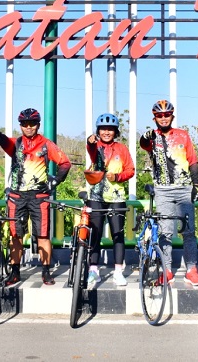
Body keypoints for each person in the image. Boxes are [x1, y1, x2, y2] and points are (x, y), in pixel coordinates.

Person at [0, 108, 71, 285]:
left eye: (32, 123)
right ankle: (15, 272)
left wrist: (55, 182)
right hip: (17, 197)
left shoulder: (46, 144)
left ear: (38, 125)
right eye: (24, 124)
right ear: (20, 126)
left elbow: (65, 163)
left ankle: (46, 271)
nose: (28, 127)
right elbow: (6, 143)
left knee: (42, 235)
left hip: (39, 197)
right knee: (16, 235)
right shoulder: (17, 143)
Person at [139, 99, 198, 286]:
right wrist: (145, 136)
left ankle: (191, 270)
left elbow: (192, 160)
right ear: (155, 118)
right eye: (159, 115)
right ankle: (166, 270)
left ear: (172, 116)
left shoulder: (183, 135)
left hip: (184, 189)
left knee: (189, 231)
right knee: (165, 233)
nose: (163, 118)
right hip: (163, 191)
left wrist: (196, 185)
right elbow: (143, 143)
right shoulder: (153, 137)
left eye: (167, 115)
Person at [83, 113, 135, 286]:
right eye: (103, 129)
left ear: (115, 131)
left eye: (110, 129)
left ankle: (118, 272)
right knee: (95, 234)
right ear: (98, 131)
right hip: (96, 196)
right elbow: (91, 149)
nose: (106, 132)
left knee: (117, 234)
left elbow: (131, 170)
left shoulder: (122, 149)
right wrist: (90, 142)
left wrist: (118, 177)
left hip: (116, 197)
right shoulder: (95, 146)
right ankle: (93, 271)